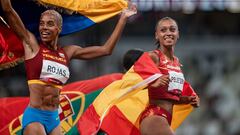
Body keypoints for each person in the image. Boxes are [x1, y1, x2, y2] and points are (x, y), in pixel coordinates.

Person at [0, 0, 137, 134]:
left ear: (59, 28)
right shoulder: (32, 45)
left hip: (54, 118)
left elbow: (105, 50)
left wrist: (123, 19)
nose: (44, 28)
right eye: (42, 24)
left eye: (50, 24)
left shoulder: (68, 52)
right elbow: (8, 11)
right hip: (35, 116)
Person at [139, 17, 200, 135]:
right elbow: (131, 80)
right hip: (154, 116)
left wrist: (188, 99)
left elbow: (170, 98)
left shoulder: (176, 63)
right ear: (157, 35)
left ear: (178, 34)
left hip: (165, 118)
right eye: (163, 30)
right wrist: (151, 82)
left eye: (172, 29)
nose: (168, 33)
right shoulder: (153, 56)